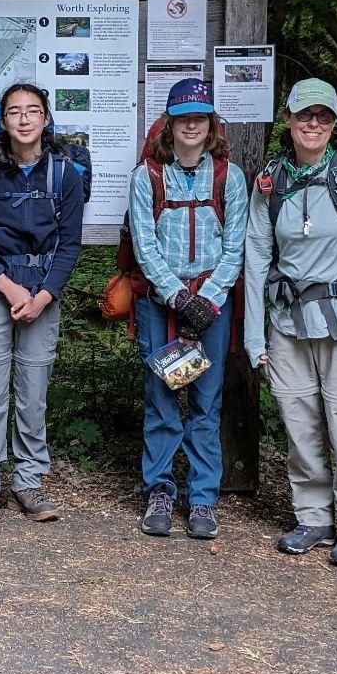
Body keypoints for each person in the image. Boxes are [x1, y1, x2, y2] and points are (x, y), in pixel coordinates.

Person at [244, 79, 337, 567]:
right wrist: (253, 333)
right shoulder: (271, 181)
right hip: (288, 320)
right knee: (298, 420)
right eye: (304, 115)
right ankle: (313, 518)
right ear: (288, 119)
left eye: (323, 116)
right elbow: (256, 256)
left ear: (334, 124)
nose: (313, 124)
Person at [0, 83, 86, 522]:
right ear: (4, 120)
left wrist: (44, 295)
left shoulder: (64, 174)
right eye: (15, 111)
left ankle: (29, 481)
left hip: (43, 290)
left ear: (46, 119)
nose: (24, 119)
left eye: (33, 111)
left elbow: (69, 243)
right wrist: (10, 289)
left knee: (33, 392)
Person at [126, 78, 247, 540]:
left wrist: (208, 299)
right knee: (162, 399)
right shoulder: (148, 177)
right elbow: (144, 245)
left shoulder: (229, 178)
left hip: (212, 305)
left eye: (200, 118)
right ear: (170, 124)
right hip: (162, 305)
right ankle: (159, 490)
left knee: (205, 402)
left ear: (211, 125)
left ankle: (202, 498)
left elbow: (235, 246)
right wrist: (179, 297)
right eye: (183, 118)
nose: (191, 126)